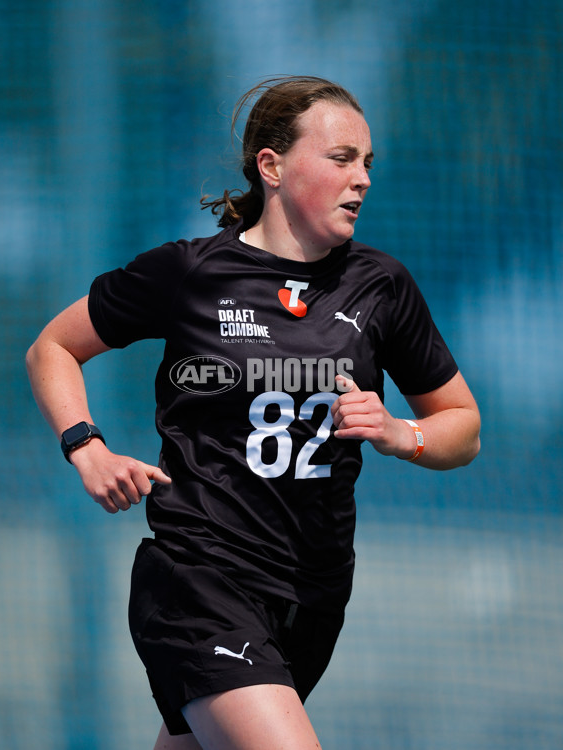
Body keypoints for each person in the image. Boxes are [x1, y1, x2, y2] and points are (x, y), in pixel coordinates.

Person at [26, 75, 481, 750]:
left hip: (311, 595)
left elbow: (462, 426)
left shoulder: (381, 285)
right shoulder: (191, 273)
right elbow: (53, 347)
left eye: (368, 163)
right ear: (271, 165)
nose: (361, 178)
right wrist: (85, 445)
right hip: (199, 577)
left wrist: (397, 431)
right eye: (340, 158)